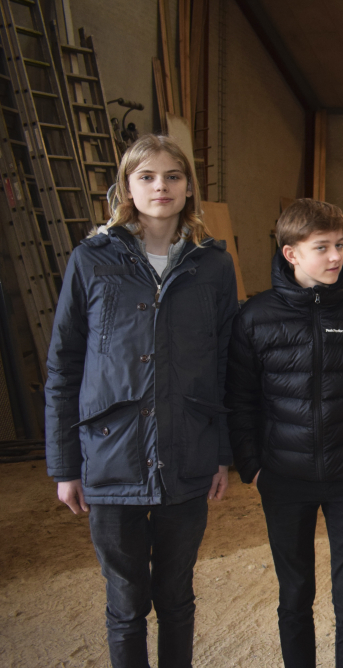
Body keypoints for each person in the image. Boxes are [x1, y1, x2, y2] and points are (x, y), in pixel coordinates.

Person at [45, 134, 238, 668]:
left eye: (173, 176)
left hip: (186, 452)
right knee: (126, 603)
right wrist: (66, 466)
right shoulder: (91, 260)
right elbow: (64, 366)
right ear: (126, 188)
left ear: (189, 187)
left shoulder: (213, 265)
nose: (161, 187)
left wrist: (221, 454)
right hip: (111, 456)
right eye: (147, 177)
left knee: (175, 596)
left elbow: (225, 364)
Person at [225, 199, 343, 668]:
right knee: (295, 595)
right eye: (322, 247)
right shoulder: (255, 317)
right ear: (291, 253)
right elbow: (240, 399)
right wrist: (253, 466)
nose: (336, 256)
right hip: (284, 477)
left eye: (340, 245)